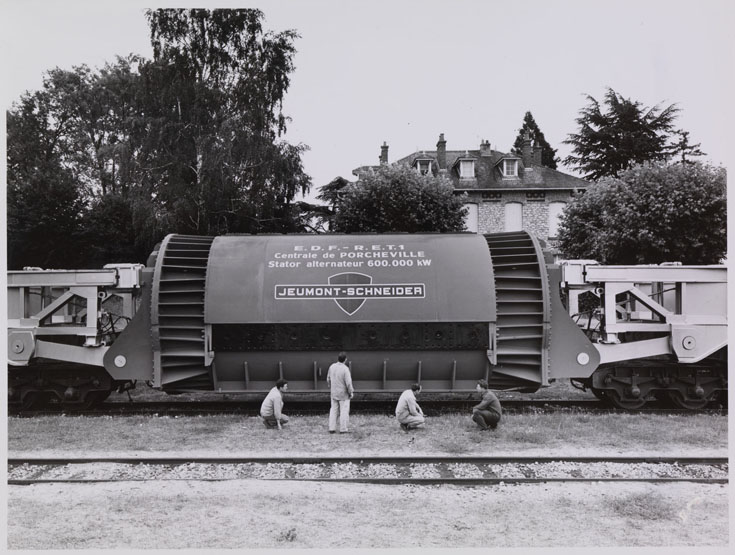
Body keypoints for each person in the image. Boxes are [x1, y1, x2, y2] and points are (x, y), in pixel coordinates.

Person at [327, 352, 354, 433]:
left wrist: (330, 387)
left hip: (334, 393)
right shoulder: (345, 369)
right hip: (343, 394)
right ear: (345, 359)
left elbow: (328, 379)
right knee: (344, 412)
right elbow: (348, 383)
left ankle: (331, 428)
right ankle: (343, 429)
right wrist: (351, 392)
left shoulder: (332, 367)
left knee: (333, 410)